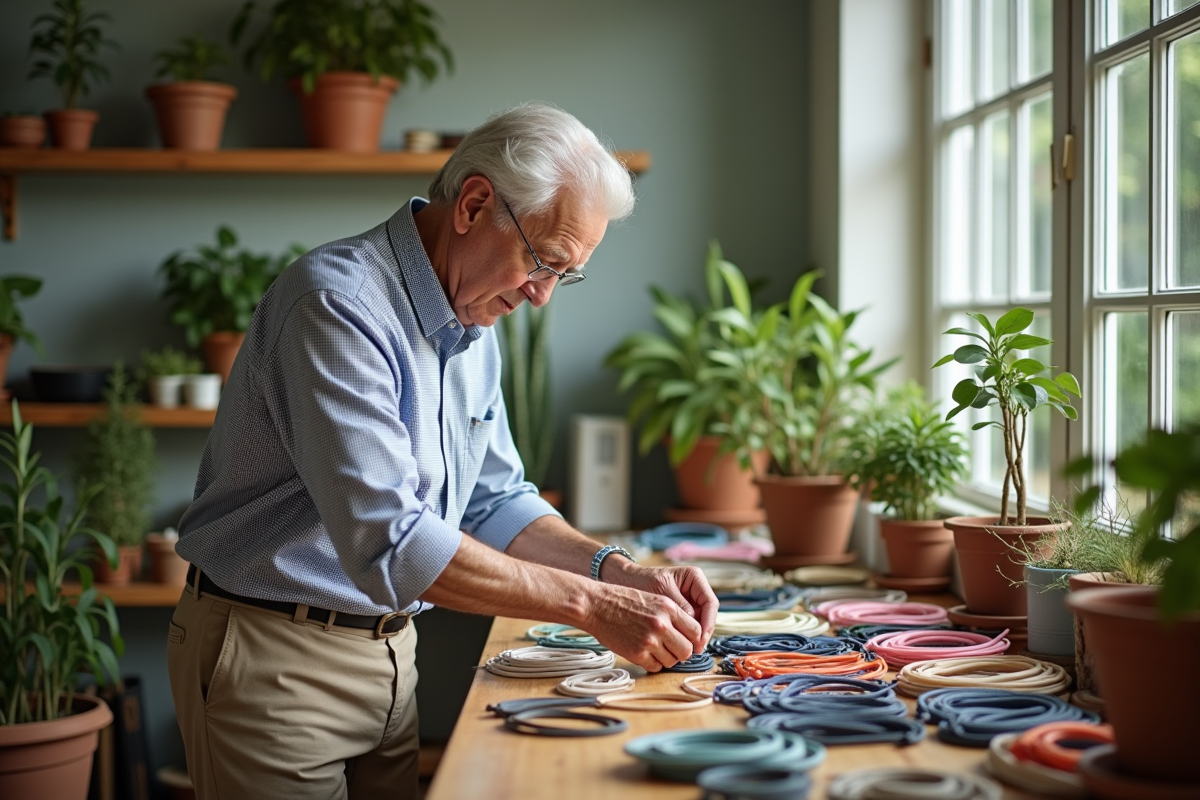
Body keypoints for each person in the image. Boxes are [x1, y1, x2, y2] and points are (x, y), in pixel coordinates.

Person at [166, 102, 719, 800]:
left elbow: (497, 501)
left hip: (391, 658)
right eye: (543, 261)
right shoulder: (338, 305)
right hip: (276, 659)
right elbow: (394, 545)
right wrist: (592, 605)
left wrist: (620, 574)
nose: (542, 296)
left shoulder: (470, 319)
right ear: (475, 204)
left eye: (563, 274)